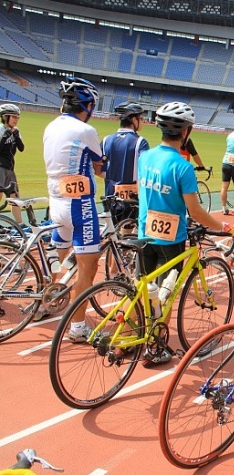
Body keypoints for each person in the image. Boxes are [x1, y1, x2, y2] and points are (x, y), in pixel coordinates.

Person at [137, 102, 225, 366]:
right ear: (186, 131)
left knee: (144, 290)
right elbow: (195, 210)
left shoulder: (145, 157)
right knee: (166, 293)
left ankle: (138, 335)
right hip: (170, 239)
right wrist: (222, 227)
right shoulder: (183, 166)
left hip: (144, 232)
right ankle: (156, 346)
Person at [43, 77, 104, 326]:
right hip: (79, 204)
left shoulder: (50, 126)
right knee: (88, 267)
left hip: (55, 201)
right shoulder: (85, 130)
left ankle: (45, 301)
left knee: (58, 256)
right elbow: (100, 165)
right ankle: (77, 327)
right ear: (87, 105)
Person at [101, 101, 150, 223]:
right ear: (134, 119)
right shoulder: (140, 142)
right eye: (141, 118)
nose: (142, 121)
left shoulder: (106, 140)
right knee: (127, 232)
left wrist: (111, 180)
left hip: (110, 194)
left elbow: (98, 167)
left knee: (114, 231)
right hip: (131, 197)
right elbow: (145, 170)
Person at [0, 103, 25, 224]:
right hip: (0, 168)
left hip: (10, 169)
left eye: (17, 117)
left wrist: (17, 136)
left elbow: (21, 148)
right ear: (5, 117)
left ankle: (19, 224)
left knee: (15, 197)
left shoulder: (16, 131)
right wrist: (4, 138)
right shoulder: (0, 130)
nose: (16, 120)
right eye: (13, 117)